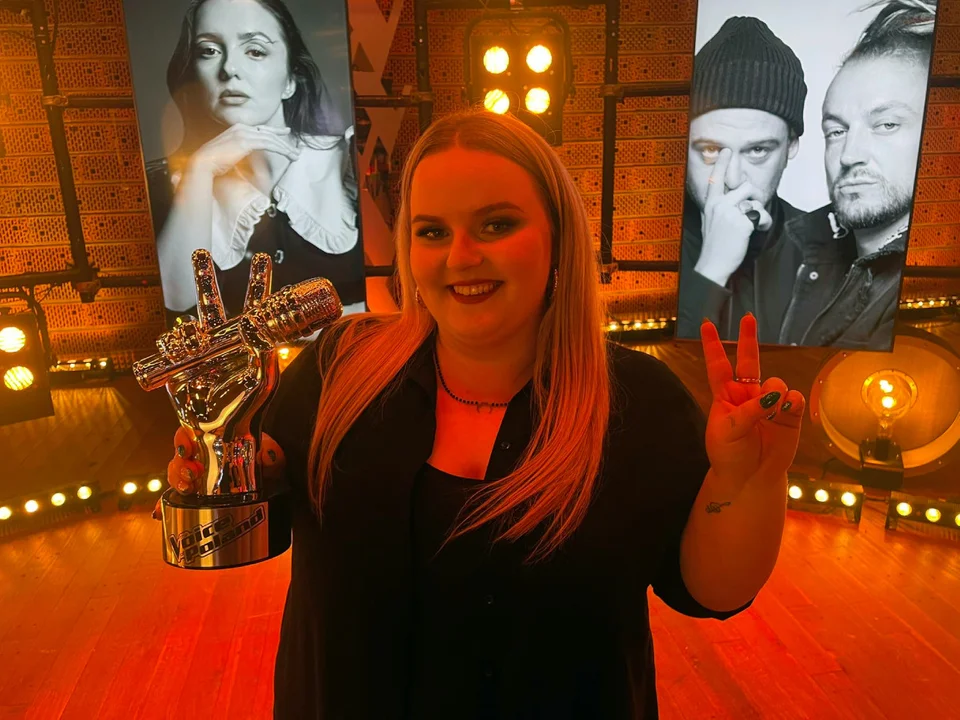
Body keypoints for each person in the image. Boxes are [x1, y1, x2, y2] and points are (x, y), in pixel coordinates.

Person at [162, 109, 806, 719]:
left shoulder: (639, 402)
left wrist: (748, 481)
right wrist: (221, 456)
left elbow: (712, 592)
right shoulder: (340, 368)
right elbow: (251, 518)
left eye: (496, 225)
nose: (460, 256)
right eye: (432, 231)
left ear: (557, 239)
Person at [144, 0, 366, 324]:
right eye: (209, 51)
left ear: (290, 80)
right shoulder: (174, 181)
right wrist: (201, 168)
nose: (229, 69)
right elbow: (177, 299)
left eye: (255, 51)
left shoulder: (352, 160)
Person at [779, 0, 936, 350]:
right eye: (836, 131)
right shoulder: (796, 250)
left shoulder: (932, 289)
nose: (849, 155)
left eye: (886, 124)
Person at [677, 17, 807, 344]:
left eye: (758, 150)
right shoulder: (648, 242)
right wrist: (711, 268)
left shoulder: (825, 251)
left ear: (791, 146)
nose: (733, 179)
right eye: (710, 150)